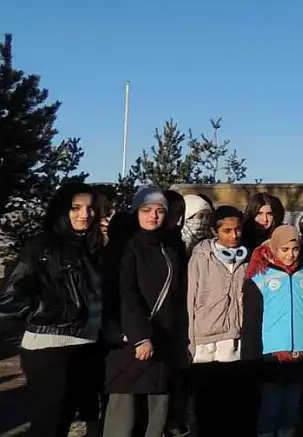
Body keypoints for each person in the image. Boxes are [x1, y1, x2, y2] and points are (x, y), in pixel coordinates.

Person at [0, 183, 105, 437]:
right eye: (75, 208)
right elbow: (11, 299)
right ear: (60, 210)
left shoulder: (90, 248)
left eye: (90, 208)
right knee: (50, 425)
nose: (85, 214)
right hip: (49, 345)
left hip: (85, 344)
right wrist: (48, 314)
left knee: (67, 420)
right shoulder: (43, 246)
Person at [102, 186, 188, 437]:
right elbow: (124, 293)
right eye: (147, 210)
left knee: (157, 416)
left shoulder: (170, 248)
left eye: (160, 210)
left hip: (163, 344)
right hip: (131, 345)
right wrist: (139, 335)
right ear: (136, 212)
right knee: (123, 419)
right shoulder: (125, 248)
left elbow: (178, 297)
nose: (153, 216)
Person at [243, 225, 303, 437]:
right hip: (272, 353)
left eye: (294, 249)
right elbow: (252, 322)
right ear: (274, 248)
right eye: (284, 250)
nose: (290, 255)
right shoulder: (260, 276)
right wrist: (250, 356)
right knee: (271, 406)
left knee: (292, 407)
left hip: (301, 351)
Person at [186, 205, 251, 436]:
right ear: (215, 231)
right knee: (205, 407)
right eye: (227, 230)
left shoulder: (247, 258)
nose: (234, 235)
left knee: (231, 405)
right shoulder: (200, 258)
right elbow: (190, 299)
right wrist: (190, 341)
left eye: (238, 230)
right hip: (205, 342)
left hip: (235, 341)